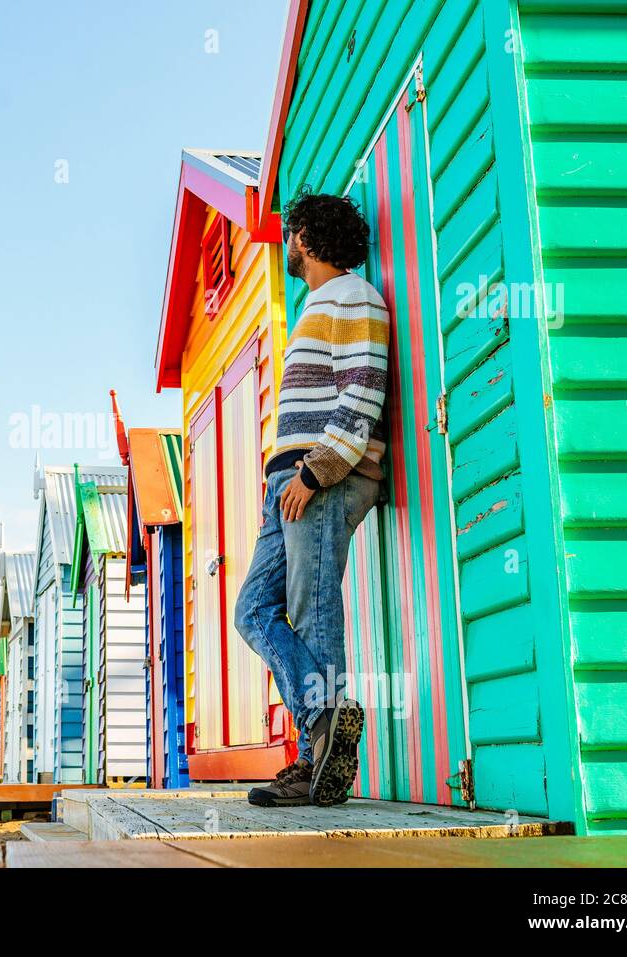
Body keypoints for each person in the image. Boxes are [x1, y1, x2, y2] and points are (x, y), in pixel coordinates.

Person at [234, 187, 388, 808]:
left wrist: (314, 474)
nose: (287, 246)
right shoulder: (321, 304)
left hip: (319, 480)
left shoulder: (353, 298)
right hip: (291, 483)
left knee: (314, 611)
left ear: (304, 238)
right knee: (253, 610)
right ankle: (322, 727)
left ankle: (315, 759)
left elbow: (362, 397)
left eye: (290, 235)